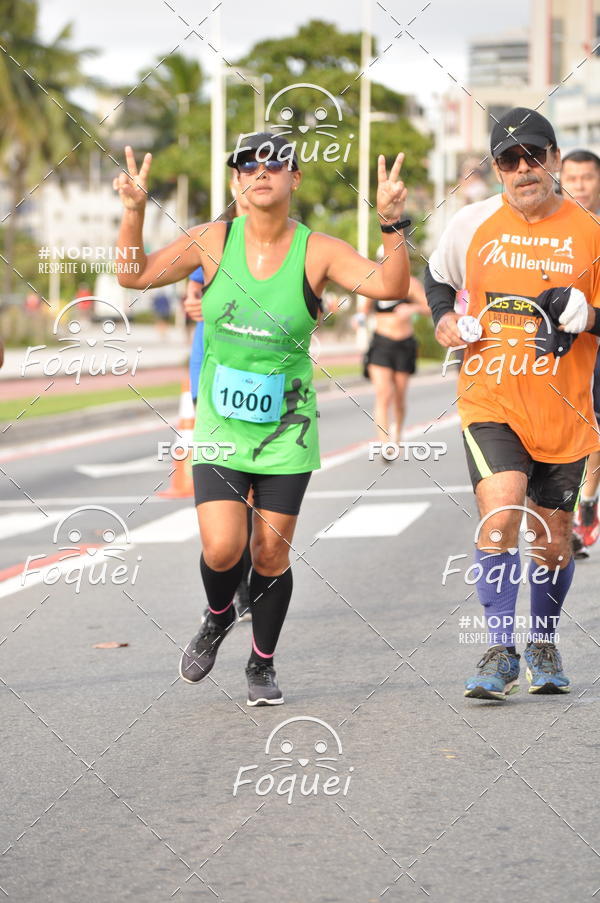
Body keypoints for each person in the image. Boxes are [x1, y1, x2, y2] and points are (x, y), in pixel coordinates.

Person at [114, 132, 410, 705]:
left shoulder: (317, 250)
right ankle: (218, 614)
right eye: (247, 164)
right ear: (236, 181)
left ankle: (262, 663)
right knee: (223, 549)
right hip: (222, 426)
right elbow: (133, 275)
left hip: (286, 431)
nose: (261, 171)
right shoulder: (212, 240)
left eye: (275, 163)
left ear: (295, 178)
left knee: (270, 553)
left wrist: (391, 222)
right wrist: (132, 213)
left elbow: (390, 286)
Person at [425, 108, 600, 700]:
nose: (523, 169)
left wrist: (590, 316)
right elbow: (437, 277)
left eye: (534, 156)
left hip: (564, 410)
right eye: (508, 159)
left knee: (552, 537)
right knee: (500, 515)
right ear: (496, 168)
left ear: (555, 160)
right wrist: (444, 318)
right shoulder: (471, 223)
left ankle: (543, 641)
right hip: (490, 398)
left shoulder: (591, 232)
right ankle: (500, 649)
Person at [561, 150, 600, 558]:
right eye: (572, 178)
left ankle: (585, 502)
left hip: (597, 344)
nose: (580, 185)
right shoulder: (550, 232)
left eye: (587, 177)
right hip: (561, 349)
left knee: (594, 427)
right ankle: (566, 514)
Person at [362, 259, 430, 443]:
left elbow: (429, 307)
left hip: (404, 345)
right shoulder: (374, 283)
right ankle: (385, 443)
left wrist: (413, 308)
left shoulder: (410, 284)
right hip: (381, 344)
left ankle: (397, 433)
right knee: (383, 394)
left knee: (399, 398)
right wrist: (359, 319)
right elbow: (364, 311)